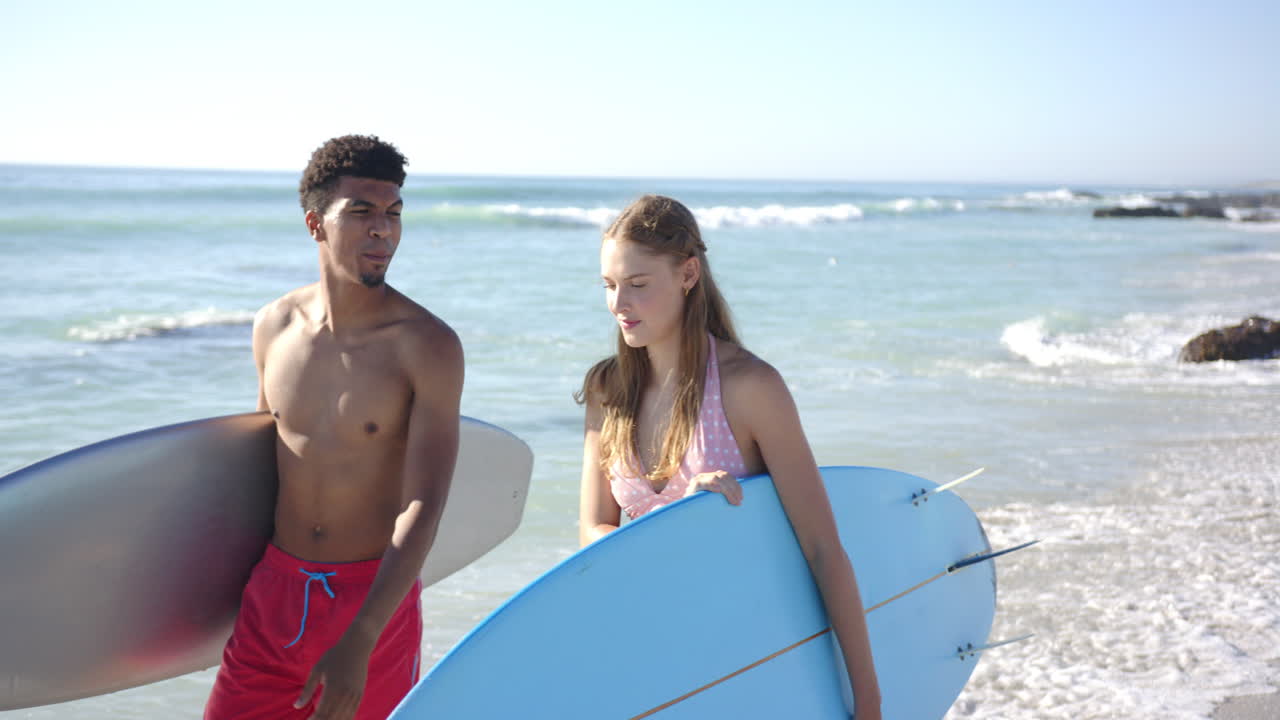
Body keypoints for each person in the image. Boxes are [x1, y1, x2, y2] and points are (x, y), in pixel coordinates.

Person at [576, 194, 882, 719]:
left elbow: (822, 548)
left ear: (688, 274)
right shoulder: (609, 389)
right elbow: (592, 528)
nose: (618, 303)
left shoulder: (749, 388)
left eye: (638, 285)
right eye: (609, 286)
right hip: (650, 641)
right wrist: (681, 523)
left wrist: (868, 702)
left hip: (747, 647)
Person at [204, 135, 463, 720]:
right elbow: (262, 472)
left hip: (373, 600)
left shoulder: (427, 346)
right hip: (272, 596)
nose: (384, 231)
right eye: (363, 212)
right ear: (315, 224)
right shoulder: (274, 327)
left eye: (394, 214)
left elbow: (425, 500)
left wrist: (364, 635)